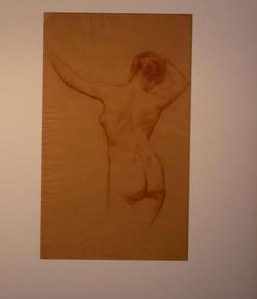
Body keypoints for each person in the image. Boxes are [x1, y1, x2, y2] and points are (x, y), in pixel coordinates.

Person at [47, 48, 190, 225]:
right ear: (155, 79)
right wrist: (164, 60)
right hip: (153, 172)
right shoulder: (155, 102)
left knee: (115, 231)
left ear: (134, 69)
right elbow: (183, 82)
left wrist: (49, 53)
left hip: (126, 172)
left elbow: (72, 80)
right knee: (141, 237)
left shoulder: (110, 93)